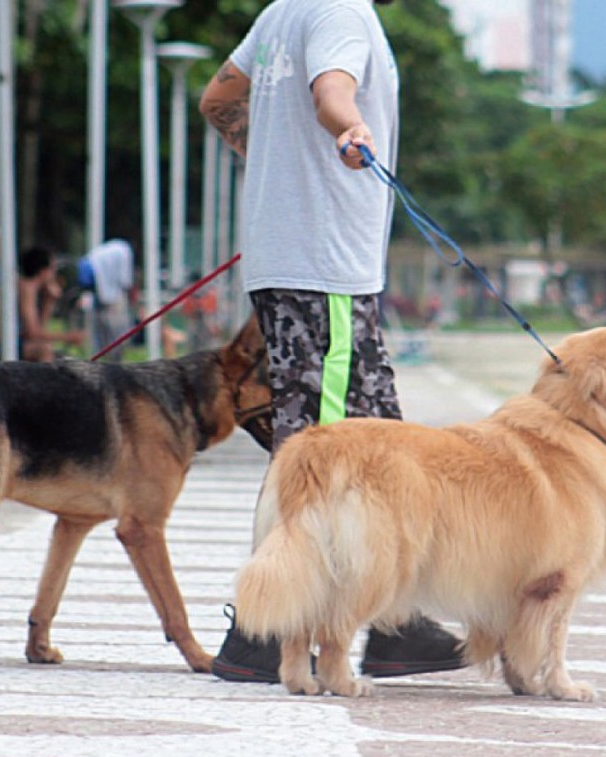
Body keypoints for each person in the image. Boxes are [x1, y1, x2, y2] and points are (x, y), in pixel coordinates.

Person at [200, 0, 465, 684]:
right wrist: (347, 130)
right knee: (328, 452)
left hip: (297, 263)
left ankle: (389, 620)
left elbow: (218, 98)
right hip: (328, 274)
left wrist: (284, 175)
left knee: (368, 448)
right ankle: (265, 630)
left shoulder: (282, 11)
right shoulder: (341, 13)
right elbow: (331, 93)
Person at [0, 245, 85, 366]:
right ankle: (44, 390)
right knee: (42, 350)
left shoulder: (23, 285)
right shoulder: (25, 286)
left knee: (42, 347)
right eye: (53, 270)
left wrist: (49, 301)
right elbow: (33, 334)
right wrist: (69, 337)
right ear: (44, 271)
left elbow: (36, 332)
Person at [76, 238, 136, 362]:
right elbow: (125, 280)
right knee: (116, 327)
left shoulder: (105, 252)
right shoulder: (125, 251)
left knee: (99, 326)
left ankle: (101, 354)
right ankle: (115, 357)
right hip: (108, 291)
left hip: (98, 287)